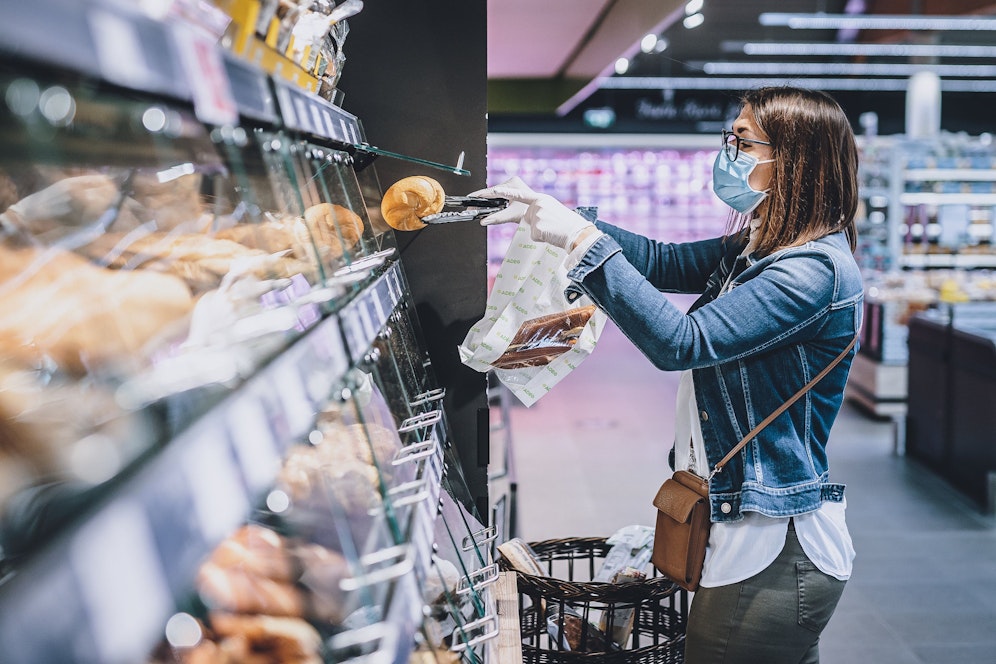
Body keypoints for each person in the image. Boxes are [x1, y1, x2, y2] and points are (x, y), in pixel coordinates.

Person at [472, 86, 861, 664]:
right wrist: (547, 215)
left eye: (743, 140)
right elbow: (662, 260)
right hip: (739, 523)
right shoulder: (757, 250)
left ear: (796, 160)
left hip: (776, 543)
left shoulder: (813, 273)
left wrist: (583, 245)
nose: (728, 152)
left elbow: (683, 343)